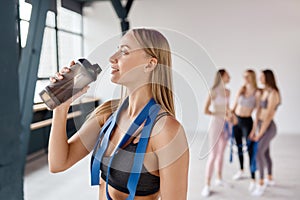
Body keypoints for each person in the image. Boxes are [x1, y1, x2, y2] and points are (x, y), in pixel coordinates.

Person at [48, 28, 189, 200]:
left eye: (124, 51)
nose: (112, 58)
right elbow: (58, 163)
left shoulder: (166, 131)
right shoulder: (108, 114)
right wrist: (61, 107)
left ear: (150, 64)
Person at [249, 69, 281, 196]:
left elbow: (268, 116)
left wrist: (260, 134)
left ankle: (261, 183)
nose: (259, 79)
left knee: (258, 153)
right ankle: (270, 178)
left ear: (268, 78)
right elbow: (258, 113)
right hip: (261, 125)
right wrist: (253, 130)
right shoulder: (263, 92)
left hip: (269, 127)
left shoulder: (273, 93)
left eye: (262, 77)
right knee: (265, 153)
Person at [201, 69, 232, 197]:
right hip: (215, 125)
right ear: (222, 77)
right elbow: (206, 110)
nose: (229, 77)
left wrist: (231, 116)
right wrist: (221, 115)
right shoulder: (213, 91)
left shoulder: (229, 92)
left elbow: (228, 109)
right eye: (227, 75)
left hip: (227, 125)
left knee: (221, 154)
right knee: (213, 155)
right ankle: (207, 185)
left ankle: (219, 178)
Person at [231, 70, 261, 192]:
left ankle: (253, 178)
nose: (245, 78)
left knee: (250, 150)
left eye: (247, 76)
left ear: (252, 77)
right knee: (238, 147)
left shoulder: (257, 92)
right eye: (244, 76)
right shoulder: (241, 89)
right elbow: (234, 106)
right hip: (236, 121)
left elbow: (258, 112)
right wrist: (230, 117)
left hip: (247, 122)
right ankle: (241, 170)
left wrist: (254, 129)